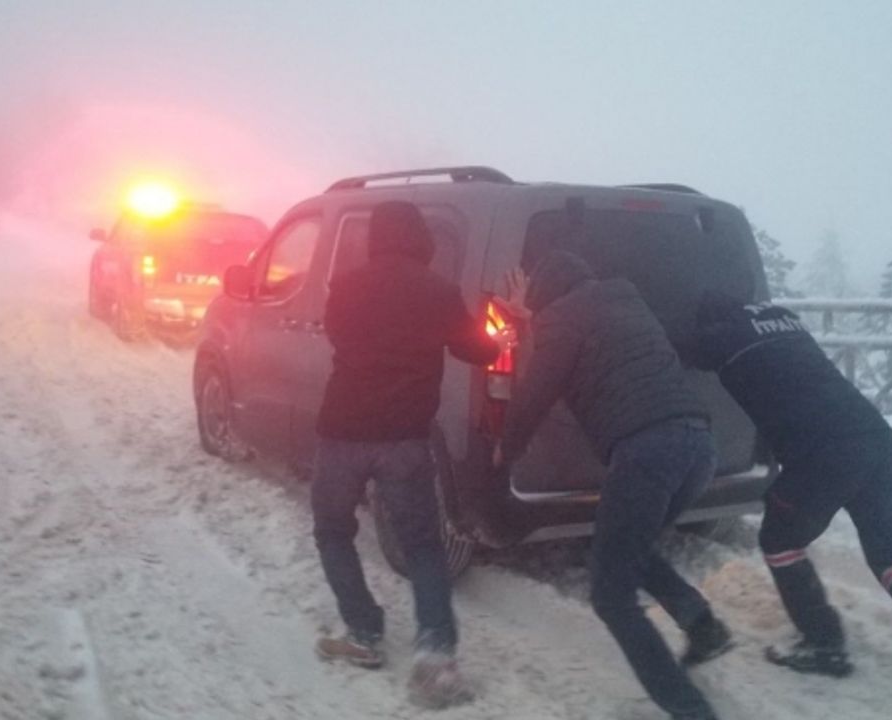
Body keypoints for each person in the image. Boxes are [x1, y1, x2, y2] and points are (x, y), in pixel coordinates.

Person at [682, 290, 892, 718]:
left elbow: (683, 349)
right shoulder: (782, 318)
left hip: (825, 455)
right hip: (879, 443)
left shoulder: (723, 336)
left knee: (779, 541)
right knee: (890, 556)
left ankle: (824, 644)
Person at [494, 251, 730, 720]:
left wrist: (507, 449)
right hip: (699, 445)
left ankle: (689, 709)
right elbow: (589, 340)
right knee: (627, 546)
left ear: (545, 292)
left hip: (649, 453)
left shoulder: (561, 320)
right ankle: (702, 626)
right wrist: (531, 319)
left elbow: (536, 391)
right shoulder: (626, 299)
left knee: (610, 594)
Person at [312, 201, 509, 709]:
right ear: (421, 236)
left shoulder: (346, 285)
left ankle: (362, 632)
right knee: (422, 546)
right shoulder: (439, 290)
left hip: (342, 432)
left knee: (333, 531)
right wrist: (501, 331)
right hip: (404, 438)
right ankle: (436, 657)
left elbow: (336, 334)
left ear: (376, 236)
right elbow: (476, 351)